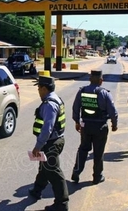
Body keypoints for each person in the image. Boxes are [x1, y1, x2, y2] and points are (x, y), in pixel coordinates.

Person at [28, 76, 69, 211]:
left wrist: (38, 146)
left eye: (39, 88)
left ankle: (62, 204)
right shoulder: (55, 98)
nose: (38, 91)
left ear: (44, 89)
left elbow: (47, 129)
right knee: (44, 167)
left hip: (51, 142)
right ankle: (37, 190)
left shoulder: (49, 104)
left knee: (54, 172)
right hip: (54, 140)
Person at [71, 70, 118, 184]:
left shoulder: (82, 91)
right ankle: (97, 177)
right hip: (100, 127)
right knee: (98, 152)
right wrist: (114, 124)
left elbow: (75, 108)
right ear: (101, 81)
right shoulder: (105, 93)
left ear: (90, 79)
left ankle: (76, 173)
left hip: (86, 126)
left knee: (83, 149)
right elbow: (113, 111)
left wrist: (77, 122)